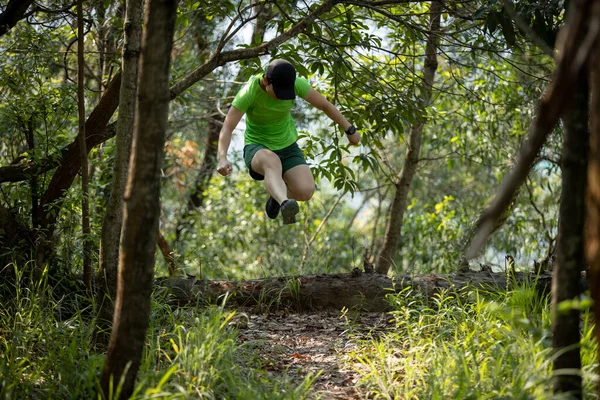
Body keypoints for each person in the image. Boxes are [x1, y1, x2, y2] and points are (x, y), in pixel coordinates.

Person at [217, 59, 360, 224]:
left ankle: (277, 195)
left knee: (305, 191)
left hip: (288, 146)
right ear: (265, 81)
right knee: (272, 161)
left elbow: (325, 106)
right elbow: (227, 128)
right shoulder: (249, 93)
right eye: (278, 92)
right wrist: (222, 157)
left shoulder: (295, 84)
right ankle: (284, 202)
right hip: (258, 147)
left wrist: (350, 129)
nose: (281, 97)